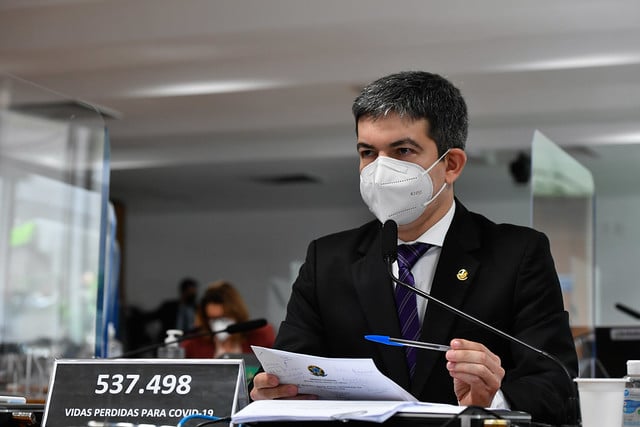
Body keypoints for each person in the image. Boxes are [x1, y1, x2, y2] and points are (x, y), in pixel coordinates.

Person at [250, 71, 578, 425]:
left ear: (451, 164)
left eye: (402, 151)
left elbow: (556, 385)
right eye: (367, 152)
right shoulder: (327, 260)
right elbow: (290, 370)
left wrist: (493, 399)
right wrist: (270, 390)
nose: (380, 170)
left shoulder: (517, 254)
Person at [182, 280, 275, 358]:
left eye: (223, 317)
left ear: (237, 314)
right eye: (213, 319)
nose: (218, 324)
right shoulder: (193, 344)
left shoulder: (262, 336)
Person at [148, 277, 199, 342]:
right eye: (190, 291)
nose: (194, 294)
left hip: (190, 343)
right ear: (184, 291)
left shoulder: (198, 309)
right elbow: (152, 316)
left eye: (194, 291)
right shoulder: (169, 307)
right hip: (170, 342)